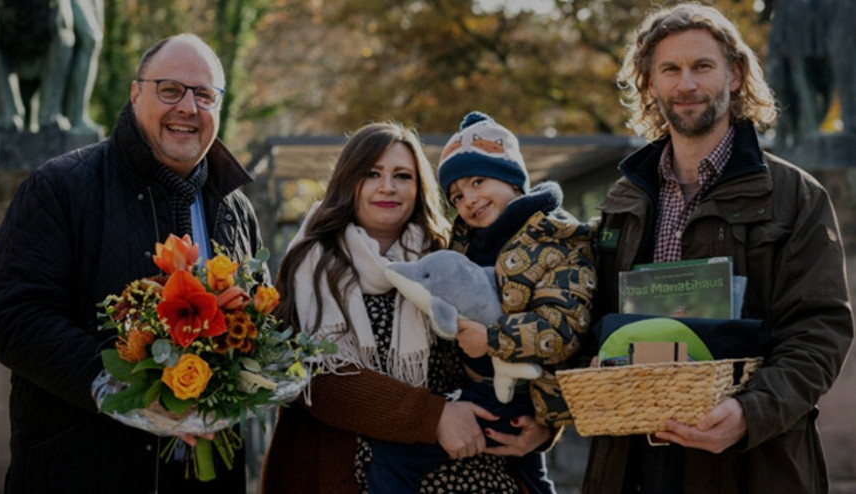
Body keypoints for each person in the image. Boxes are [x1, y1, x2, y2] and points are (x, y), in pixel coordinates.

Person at [585, 3, 854, 493]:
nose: (686, 84)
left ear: (735, 74)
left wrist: (749, 414)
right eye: (670, 69)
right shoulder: (619, 203)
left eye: (702, 66)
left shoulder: (798, 197)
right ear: (649, 84)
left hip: (751, 465)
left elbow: (819, 333)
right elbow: (587, 325)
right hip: (631, 467)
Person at [0, 33, 263, 493]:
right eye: (170, 89)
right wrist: (124, 390)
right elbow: (13, 319)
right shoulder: (60, 188)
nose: (188, 108)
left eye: (204, 95)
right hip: (83, 472)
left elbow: (255, 327)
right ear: (136, 93)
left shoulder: (236, 209)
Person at [259, 121, 553, 493]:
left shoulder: (453, 254)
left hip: (475, 468)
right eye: (372, 174)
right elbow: (314, 379)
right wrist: (433, 417)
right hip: (349, 471)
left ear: (419, 188)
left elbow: (530, 330)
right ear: (349, 181)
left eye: (402, 176)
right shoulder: (309, 264)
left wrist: (542, 425)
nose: (388, 187)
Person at [365, 111, 597, 493]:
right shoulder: (469, 243)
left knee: (395, 459)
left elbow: (563, 328)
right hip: (491, 388)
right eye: (456, 195)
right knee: (531, 477)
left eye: (478, 181)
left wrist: (492, 339)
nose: (469, 200)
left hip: (521, 394)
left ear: (512, 179)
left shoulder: (558, 241)